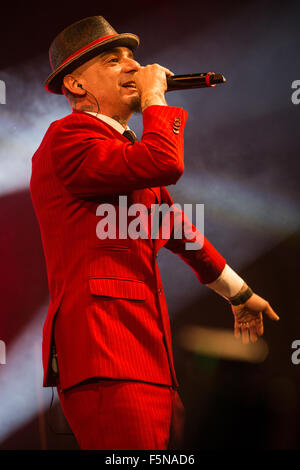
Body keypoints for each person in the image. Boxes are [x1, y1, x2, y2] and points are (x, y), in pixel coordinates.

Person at [30, 15, 279, 450]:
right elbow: (166, 162)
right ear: (75, 84)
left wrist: (239, 294)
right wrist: (156, 98)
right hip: (105, 351)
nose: (132, 66)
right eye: (113, 60)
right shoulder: (67, 137)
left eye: (132, 57)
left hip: (150, 356)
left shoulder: (125, 151)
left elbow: (177, 229)